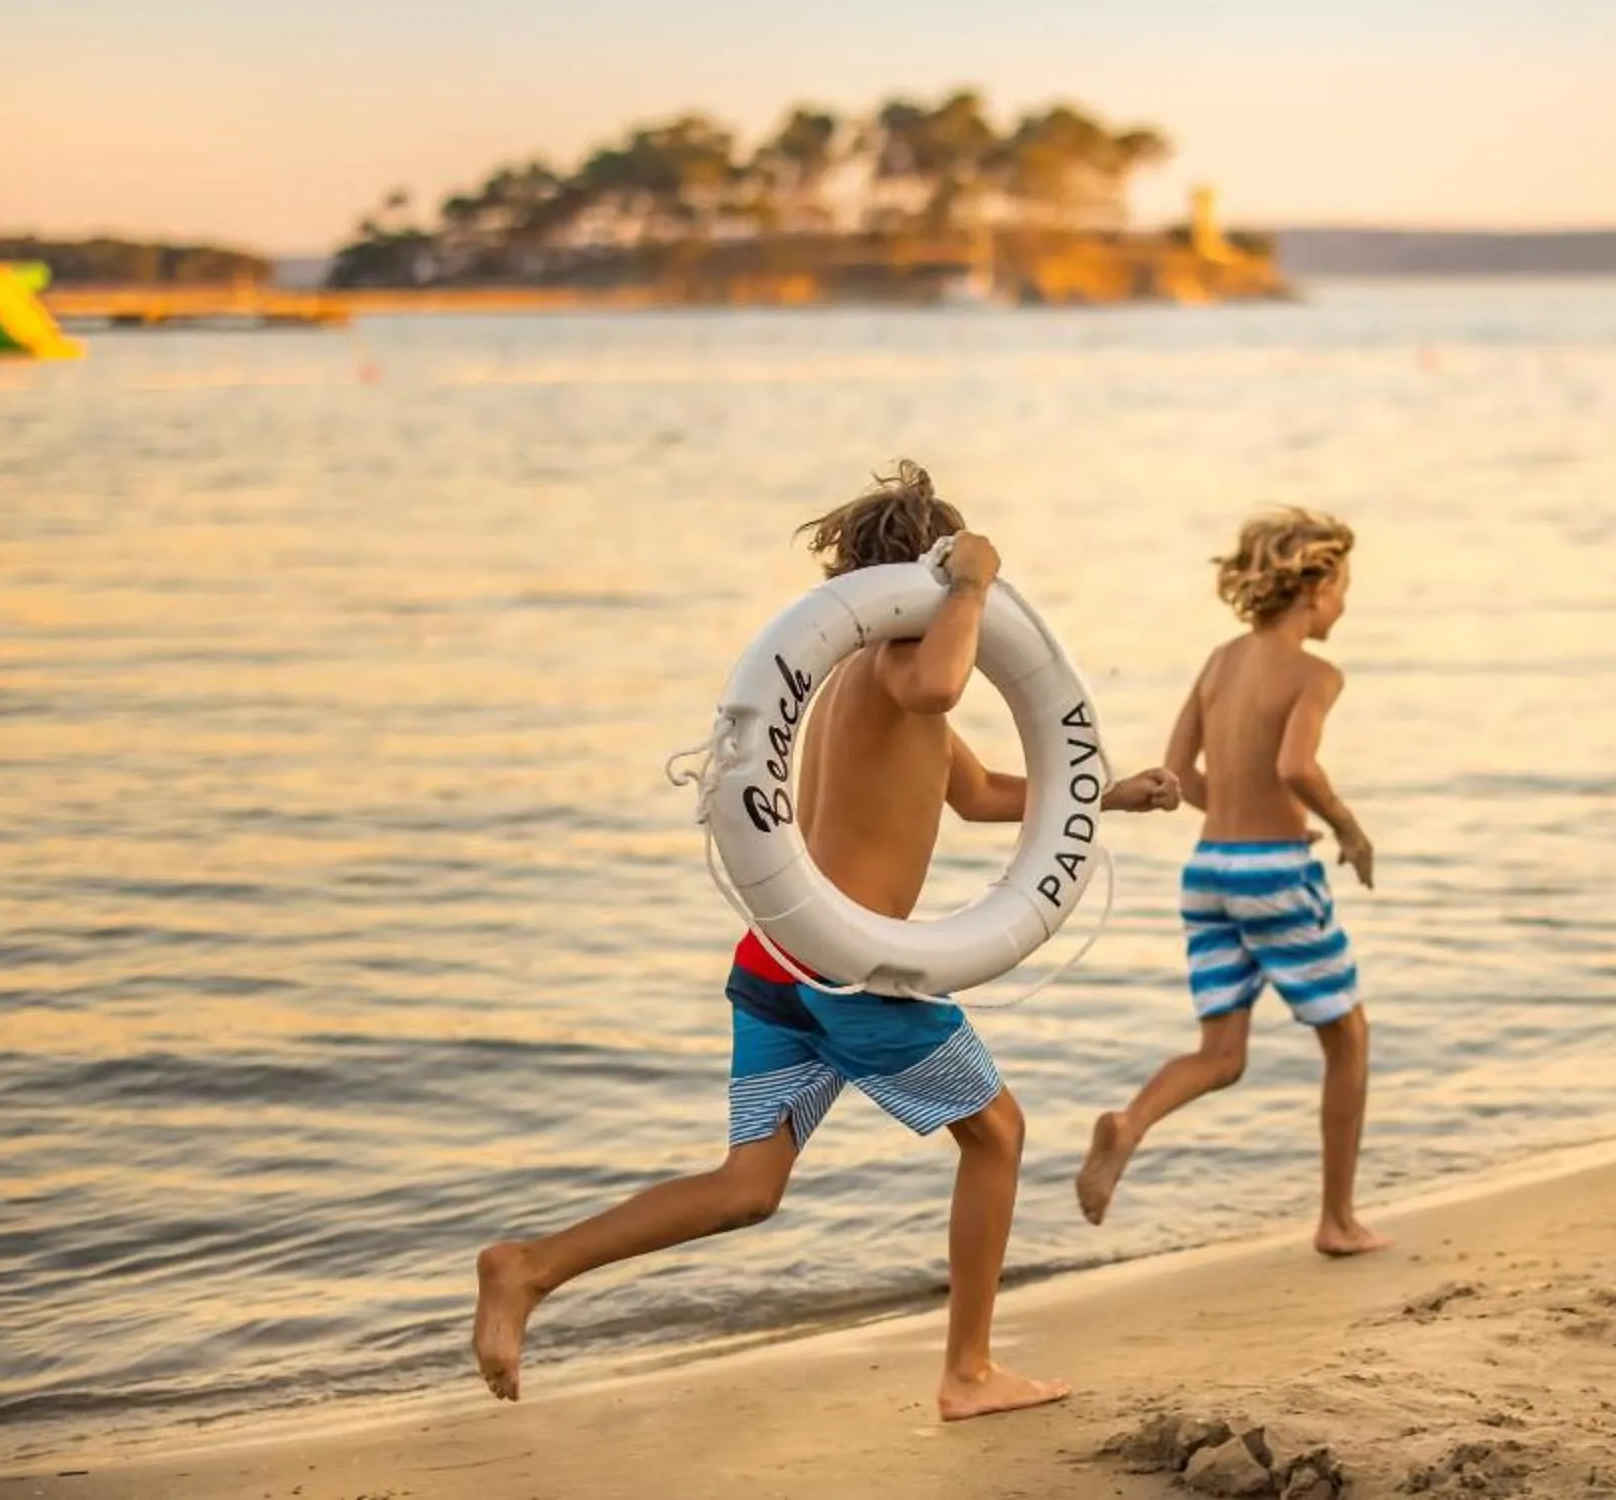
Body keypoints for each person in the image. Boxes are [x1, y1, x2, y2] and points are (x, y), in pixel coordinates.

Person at [471, 462, 1182, 1420]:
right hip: (852, 980)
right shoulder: (896, 669)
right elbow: (939, 685)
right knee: (998, 1135)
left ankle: (530, 1266)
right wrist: (974, 586)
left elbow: (976, 795)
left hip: (780, 962)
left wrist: (1109, 794)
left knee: (747, 1189)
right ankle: (968, 1371)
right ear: (926, 580)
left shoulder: (854, 675)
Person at [1074, 507, 1387, 1257]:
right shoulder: (1317, 674)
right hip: (1273, 872)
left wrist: (1250, 821)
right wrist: (1347, 828)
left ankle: (1131, 1123)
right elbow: (1295, 766)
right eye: (1343, 588)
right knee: (1348, 1036)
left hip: (1209, 871)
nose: (1344, 604)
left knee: (1222, 1055)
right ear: (1313, 589)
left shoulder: (1219, 662)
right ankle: (1338, 1221)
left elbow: (1177, 777)